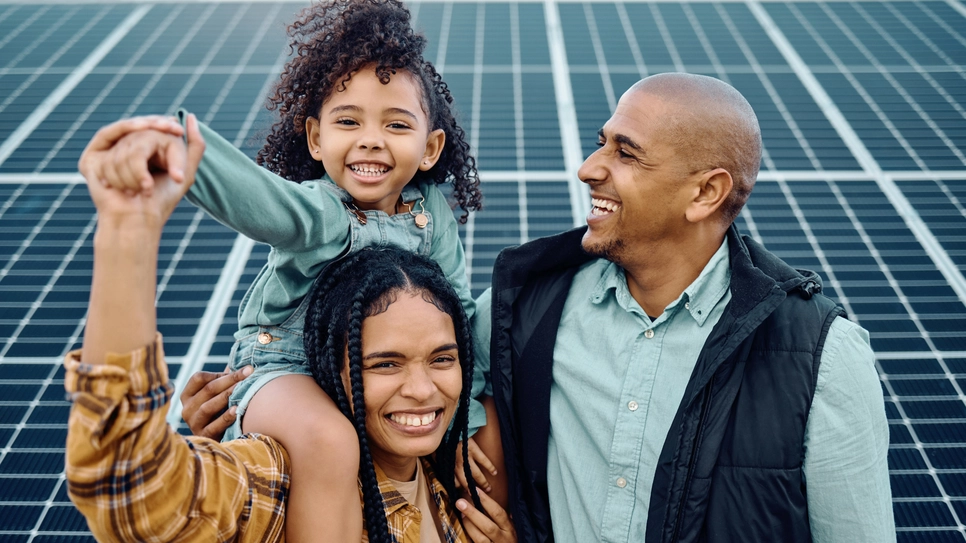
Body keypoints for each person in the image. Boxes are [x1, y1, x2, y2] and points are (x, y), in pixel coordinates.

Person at [81, 0, 503, 539]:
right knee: (328, 442)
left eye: (396, 124)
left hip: (354, 391)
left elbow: (459, 311)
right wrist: (186, 154)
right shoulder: (322, 211)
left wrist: (466, 416)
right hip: (281, 369)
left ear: (430, 148)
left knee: (479, 430)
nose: (371, 138)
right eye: (348, 121)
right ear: (315, 138)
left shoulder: (429, 213)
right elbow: (259, 200)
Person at [480, 72, 895, 542]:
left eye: (626, 153)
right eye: (602, 143)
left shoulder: (824, 357)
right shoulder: (526, 304)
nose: (589, 168)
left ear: (705, 193)